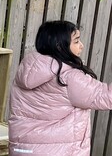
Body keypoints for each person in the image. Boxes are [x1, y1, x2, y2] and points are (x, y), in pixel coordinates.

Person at [9, 20, 112, 155]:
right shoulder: (69, 77)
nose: (81, 46)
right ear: (59, 46)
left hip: (24, 150)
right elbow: (107, 97)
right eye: (76, 41)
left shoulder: (26, 71)